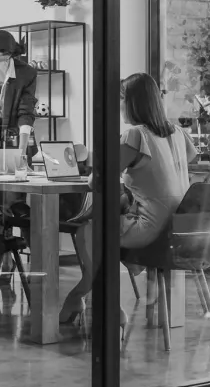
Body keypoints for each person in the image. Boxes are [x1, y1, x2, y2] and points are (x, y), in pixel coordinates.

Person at [63, 73, 196, 335]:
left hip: (150, 231)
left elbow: (96, 181)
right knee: (107, 225)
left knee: (88, 231)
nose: (118, 105)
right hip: (176, 229)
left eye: (121, 99)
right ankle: (85, 297)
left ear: (132, 102)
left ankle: (95, 301)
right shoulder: (177, 132)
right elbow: (190, 156)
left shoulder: (135, 135)